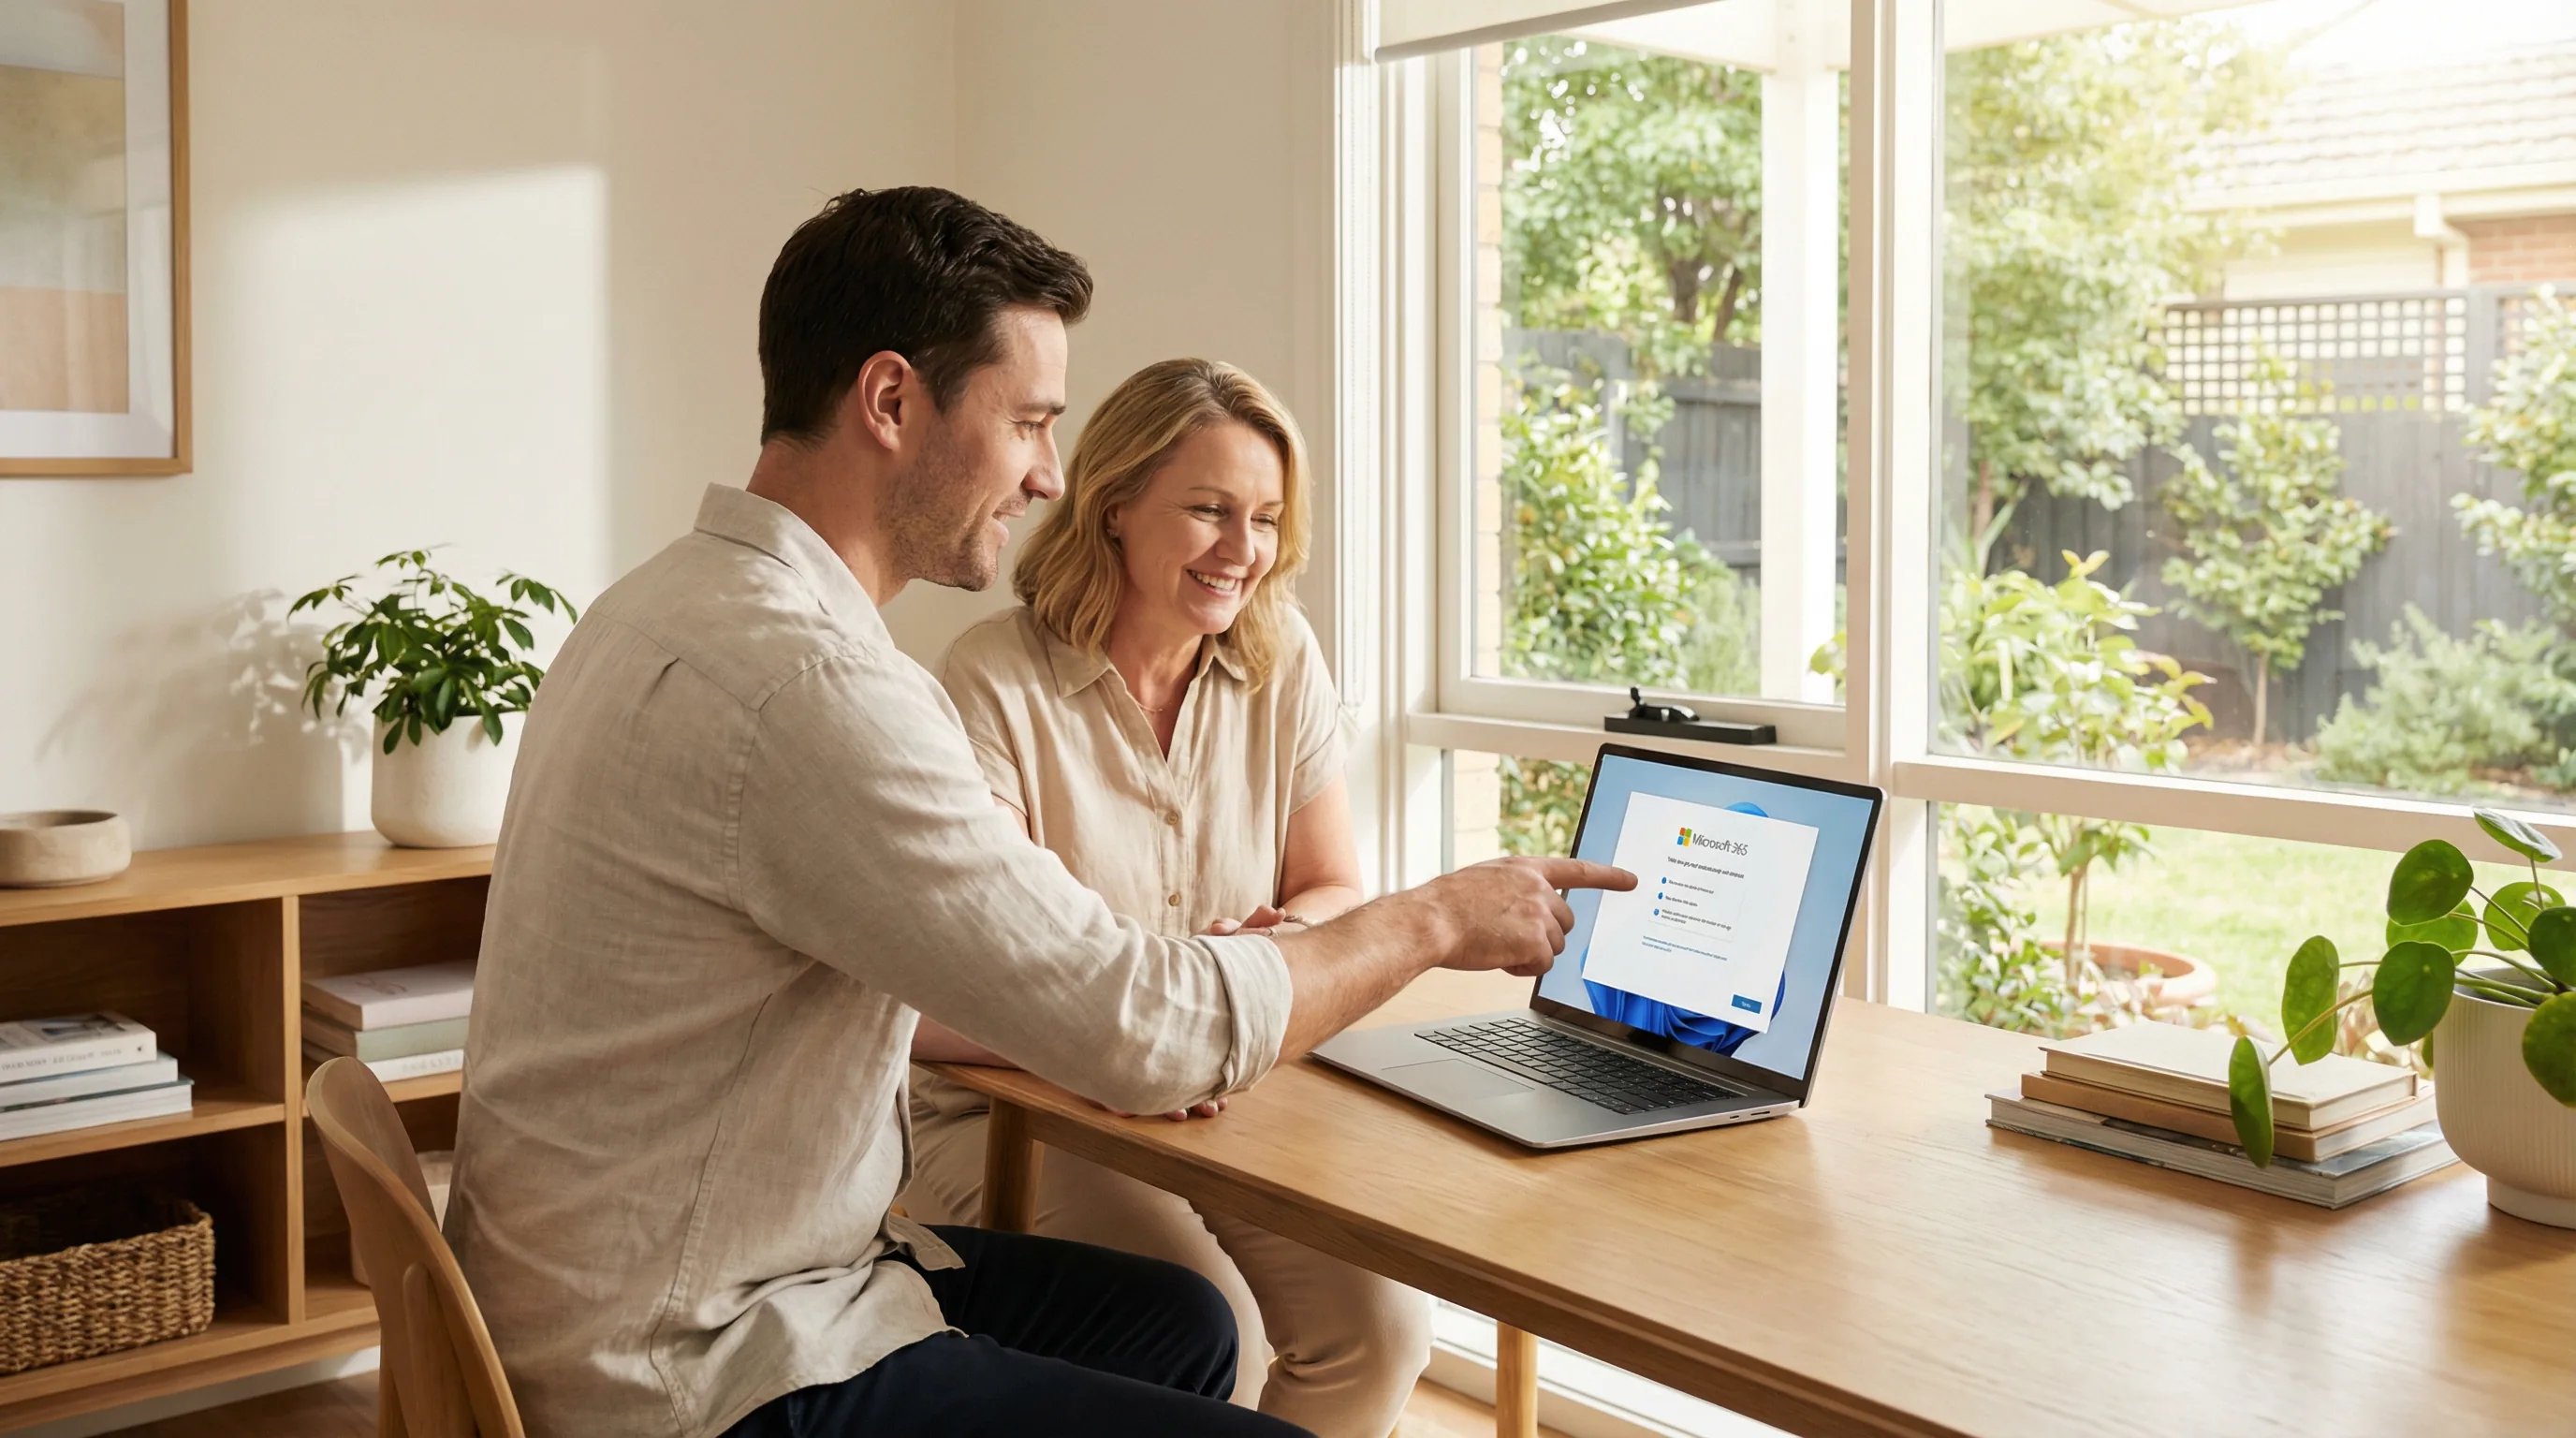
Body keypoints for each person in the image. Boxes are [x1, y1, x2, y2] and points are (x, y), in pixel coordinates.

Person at [441, 182, 1633, 1438]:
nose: (1048, 477)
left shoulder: (657, 605)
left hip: (647, 1285)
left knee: (1181, 1325)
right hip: (696, 1361)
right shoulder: (819, 690)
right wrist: (1435, 919)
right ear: (892, 401)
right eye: (1028, 423)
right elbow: (1137, 1035)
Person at [902, 358, 1427, 1438]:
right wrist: (1142, 1036)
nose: (1244, 550)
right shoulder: (989, 682)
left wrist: (1274, 948)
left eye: (1269, 518)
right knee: (1209, 1324)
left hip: (1223, 1097)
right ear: (1113, 506)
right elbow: (968, 983)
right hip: (1016, 1106)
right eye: (1209, 510)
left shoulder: (1282, 665)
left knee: (1381, 1326)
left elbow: (1330, 886)